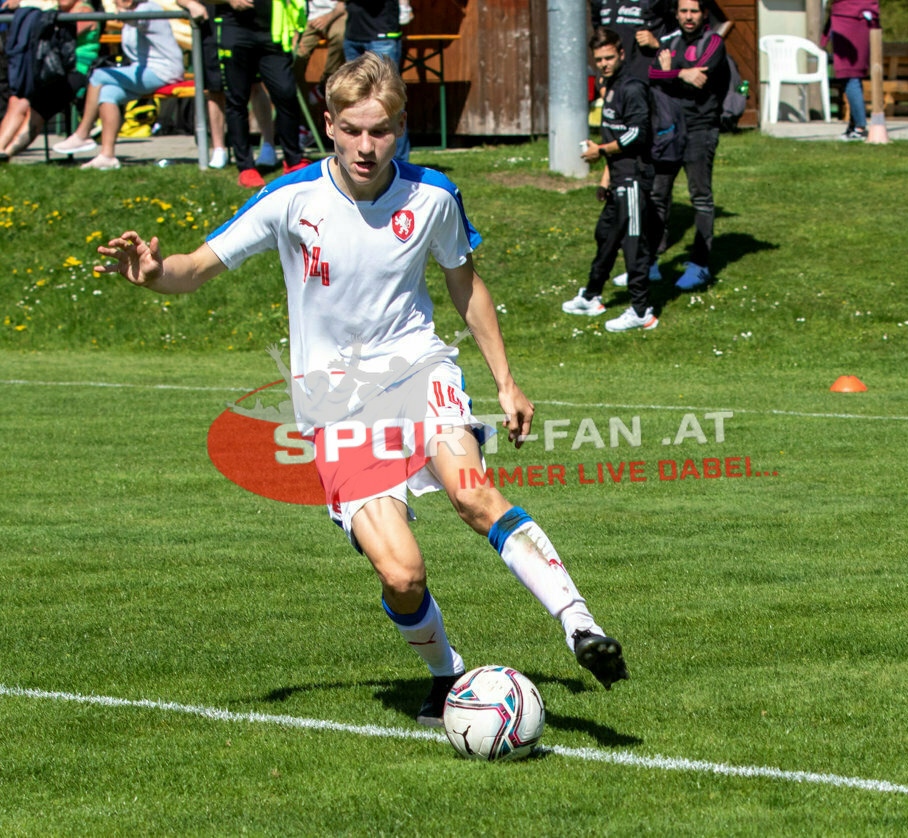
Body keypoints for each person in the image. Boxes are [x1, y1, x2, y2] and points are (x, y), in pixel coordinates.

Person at [95, 52, 629, 725]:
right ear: (330, 124)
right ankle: (446, 676)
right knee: (402, 575)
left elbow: (464, 282)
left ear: (399, 128)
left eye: (380, 131)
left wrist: (506, 381)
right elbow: (195, 268)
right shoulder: (291, 199)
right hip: (336, 407)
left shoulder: (433, 195)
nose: (366, 146)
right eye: (352, 130)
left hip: (418, 372)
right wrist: (151, 272)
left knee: (473, 493)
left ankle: (580, 625)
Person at [563, 28, 658, 332]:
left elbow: (637, 133)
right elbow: (614, 134)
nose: (603, 64)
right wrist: (604, 177)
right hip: (616, 179)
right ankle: (592, 297)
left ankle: (642, 311)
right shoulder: (610, 86)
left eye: (608, 58)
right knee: (605, 237)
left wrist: (599, 151)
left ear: (620, 54)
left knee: (634, 247)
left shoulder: (632, 87)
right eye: (598, 59)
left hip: (633, 180)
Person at [645, 0, 729, 290]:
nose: (688, 17)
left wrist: (673, 71)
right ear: (677, 14)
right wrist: (681, 73)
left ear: (704, 13)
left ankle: (700, 264)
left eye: (694, 11)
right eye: (683, 11)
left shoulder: (714, 41)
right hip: (670, 129)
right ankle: (651, 262)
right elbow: (653, 74)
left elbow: (701, 76)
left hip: (700, 128)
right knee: (658, 194)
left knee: (700, 196)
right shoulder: (669, 40)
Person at [51, 0, 184, 169]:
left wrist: (120, 9)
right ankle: (107, 156)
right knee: (108, 92)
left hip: (165, 71)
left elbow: (133, 19)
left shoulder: (147, 9)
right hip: (143, 71)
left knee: (99, 75)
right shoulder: (131, 11)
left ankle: (83, 133)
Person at [217, 0, 309, 187]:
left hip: (273, 32)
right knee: (237, 100)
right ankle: (246, 167)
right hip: (236, 31)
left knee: (286, 93)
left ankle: (293, 160)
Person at [0, 0, 99, 161]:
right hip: (53, 70)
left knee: (38, 107)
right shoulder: (57, 11)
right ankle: (0, 149)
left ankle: (8, 153)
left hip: (79, 71)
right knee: (17, 99)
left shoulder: (85, 11)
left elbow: (62, 38)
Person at [342, 0, 408, 161]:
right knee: (354, 101)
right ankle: (360, 157)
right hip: (353, 35)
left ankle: (399, 163)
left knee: (388, 101)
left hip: (381, 36)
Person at [821, 0, 880, 142]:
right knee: (854, 76)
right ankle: (854, 126)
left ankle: (859, 127)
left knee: (850, 75)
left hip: (848, 19)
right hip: (865, 18)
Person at [590, 0, 676, 80]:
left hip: (643, 79)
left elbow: (679, 31)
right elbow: (599, 37)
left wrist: (657, 43)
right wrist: (601, 80)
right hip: (613, 80)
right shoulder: (600, 2)